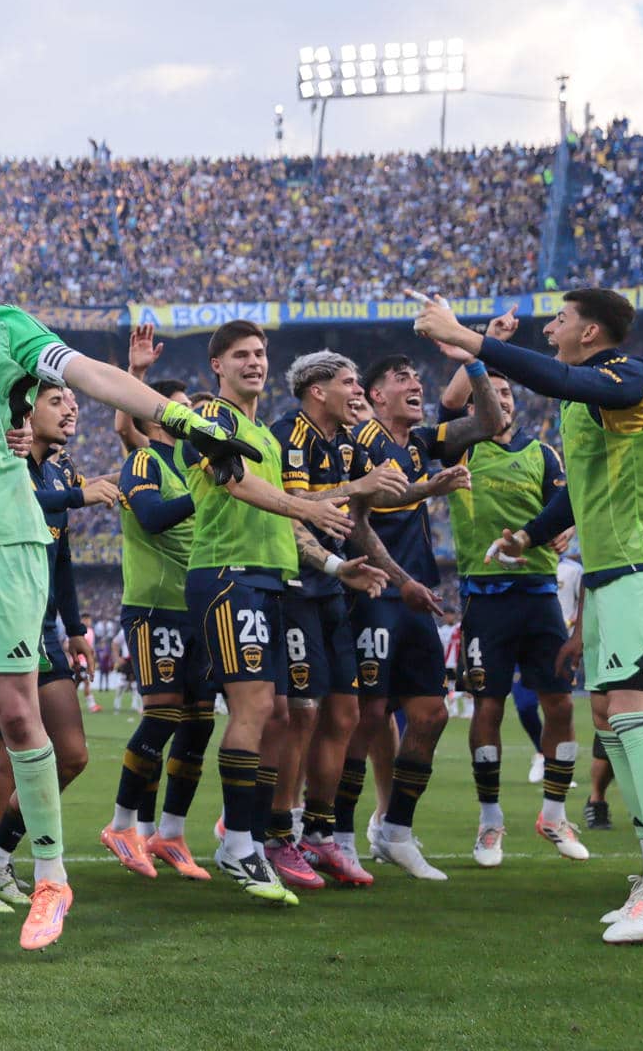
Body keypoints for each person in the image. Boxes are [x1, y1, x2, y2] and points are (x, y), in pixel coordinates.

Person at [0, 221, 253, 950]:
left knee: (18, 718)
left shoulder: (8, 327)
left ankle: (51, 879)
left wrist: (175, 415)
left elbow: (88, 377)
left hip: (6, 542)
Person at [416, 287, 643, 943]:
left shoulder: (631, 375)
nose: (551, 327)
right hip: (612, 572)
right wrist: (529, 536)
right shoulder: (586, 408)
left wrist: (471, 340)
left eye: (560, 319)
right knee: (613, 723)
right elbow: (582, 496)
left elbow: (554, 376)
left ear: (589, 333)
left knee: (638, 715)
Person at [179, 321, 385, 904]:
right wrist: (312, 505)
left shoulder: (263, 437)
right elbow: (239, 484)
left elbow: (291, 507)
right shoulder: (209, 419)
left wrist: (346, 498)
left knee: (269, 712)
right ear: (216, 365)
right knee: (253, 709)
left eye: (261, 354)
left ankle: (246, 838)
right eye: (240, 355)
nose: (254, 362)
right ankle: (239, 845)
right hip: (227, 575)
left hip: (267, 580)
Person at [337, 351, 498, 879]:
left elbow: (490, 422)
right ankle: (338, 835)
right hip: (375, 593)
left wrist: (477, 362)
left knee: (430, 713)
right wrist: (401, 581)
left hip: (414, 598)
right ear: (375, 395)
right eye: (400, 378)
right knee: (367, 717)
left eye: (415, 376)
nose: (414, 383)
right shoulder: (359, 441)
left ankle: (396, 831)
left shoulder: (423, 442)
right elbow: (358, 520)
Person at [434, 332, 588, 867]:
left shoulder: (543, 454)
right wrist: (475, 355)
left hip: (540, 593)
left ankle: (553, 812)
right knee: (489, 706)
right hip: (485, 597)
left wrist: (563, 531)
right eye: (488, 392)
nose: (496, 399)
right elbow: (449, 405)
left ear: (516, 403)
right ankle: (490, 822)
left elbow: (562, 509)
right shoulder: (461, 445)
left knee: (562, 704)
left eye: (505, 392)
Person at [268, 352, 410, 889]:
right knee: (301, 715)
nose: (358, 392)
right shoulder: (289, 435)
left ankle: (320, 835)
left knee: (346, 713)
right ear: (317, 390)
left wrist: (428, 488)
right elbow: (292, 509)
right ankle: (277, 834)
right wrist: (359, 488)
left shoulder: (343, 443)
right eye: (350, 383)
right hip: (294, 588)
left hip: (330, 587)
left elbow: (357, 514)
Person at [0, 384, 108, 911]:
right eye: (57, 401)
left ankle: (1, 856)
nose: (71, 408)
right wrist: (79, 495)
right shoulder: (5, 459)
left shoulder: (63, 470)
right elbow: (15, 504)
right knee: (9, 757)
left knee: (69, 755)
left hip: (44, 628)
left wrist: (75, 629)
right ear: (26, 412)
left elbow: (62, 555)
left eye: (74, 400)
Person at [101, 378, 214, 881]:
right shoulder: (143, 461)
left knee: (199, 721)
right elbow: (150, 517)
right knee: (164, 712)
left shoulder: (192, 468)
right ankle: (123, 823)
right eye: (180, 410)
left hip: (198, 609)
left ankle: (170, 832)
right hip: (154, 607)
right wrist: (201, 494)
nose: (190, 418)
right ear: (155, 418)